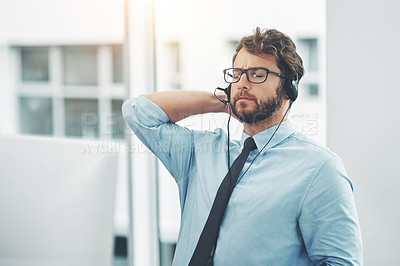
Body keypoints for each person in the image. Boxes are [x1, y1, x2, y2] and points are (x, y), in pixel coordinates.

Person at [122, 28, 363, 265]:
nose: (242, 83)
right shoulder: (201, 152)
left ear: (289, 88)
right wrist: (224, 102)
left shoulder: (319, 169)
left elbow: (341, 262)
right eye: (237, 74)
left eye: (257, 74)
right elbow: (139, 114)